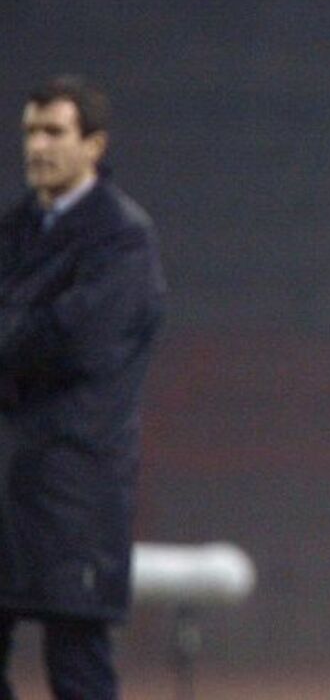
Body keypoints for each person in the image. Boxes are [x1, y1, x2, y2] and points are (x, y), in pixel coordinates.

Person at [0, 76, 165, 699]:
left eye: (54, 132)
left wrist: (17, 336)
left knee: (77, 666)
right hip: (10, 477)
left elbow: (77, 342)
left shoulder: (123, 238)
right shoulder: (15, 230)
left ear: (94, 145)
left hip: (77, 485)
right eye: (30, 132)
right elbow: (43, 335)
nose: (37, 147)